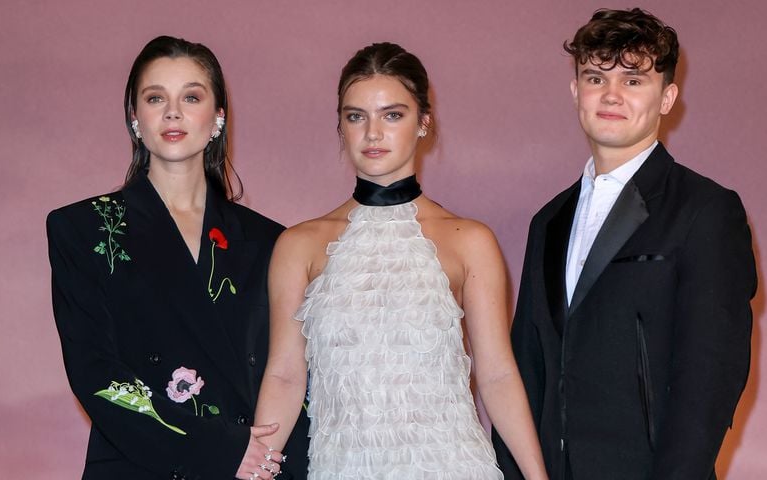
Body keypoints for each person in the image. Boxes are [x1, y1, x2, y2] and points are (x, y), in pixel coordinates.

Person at [253, 42, 548, 479]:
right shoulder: (299, 245)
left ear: (423, 122)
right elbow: (284, 376)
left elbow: (498, 375)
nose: (373, 134)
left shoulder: (471, 241)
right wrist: (257, 469)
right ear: (341, 126)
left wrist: (536, 477)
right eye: (356, 117)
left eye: (392, 115)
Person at [492, 8, 757, 480]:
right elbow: (528, 368)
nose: (611, 95)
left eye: (633, 80)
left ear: (667, 97)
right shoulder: (548, 221)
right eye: (596, 77)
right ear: (576, 91)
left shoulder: (706, 211)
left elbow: (710, 379)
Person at [47, 36, 308, 480]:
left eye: (191, 96)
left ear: (217, 117)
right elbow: (96, 373)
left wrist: (260, 456)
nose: (173, 112)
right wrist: (220, 450)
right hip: (141, 466)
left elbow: (290, 375)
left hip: (259, 469)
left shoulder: (272, 241)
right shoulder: (83, 228)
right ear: (135, 117)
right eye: (155, 98)